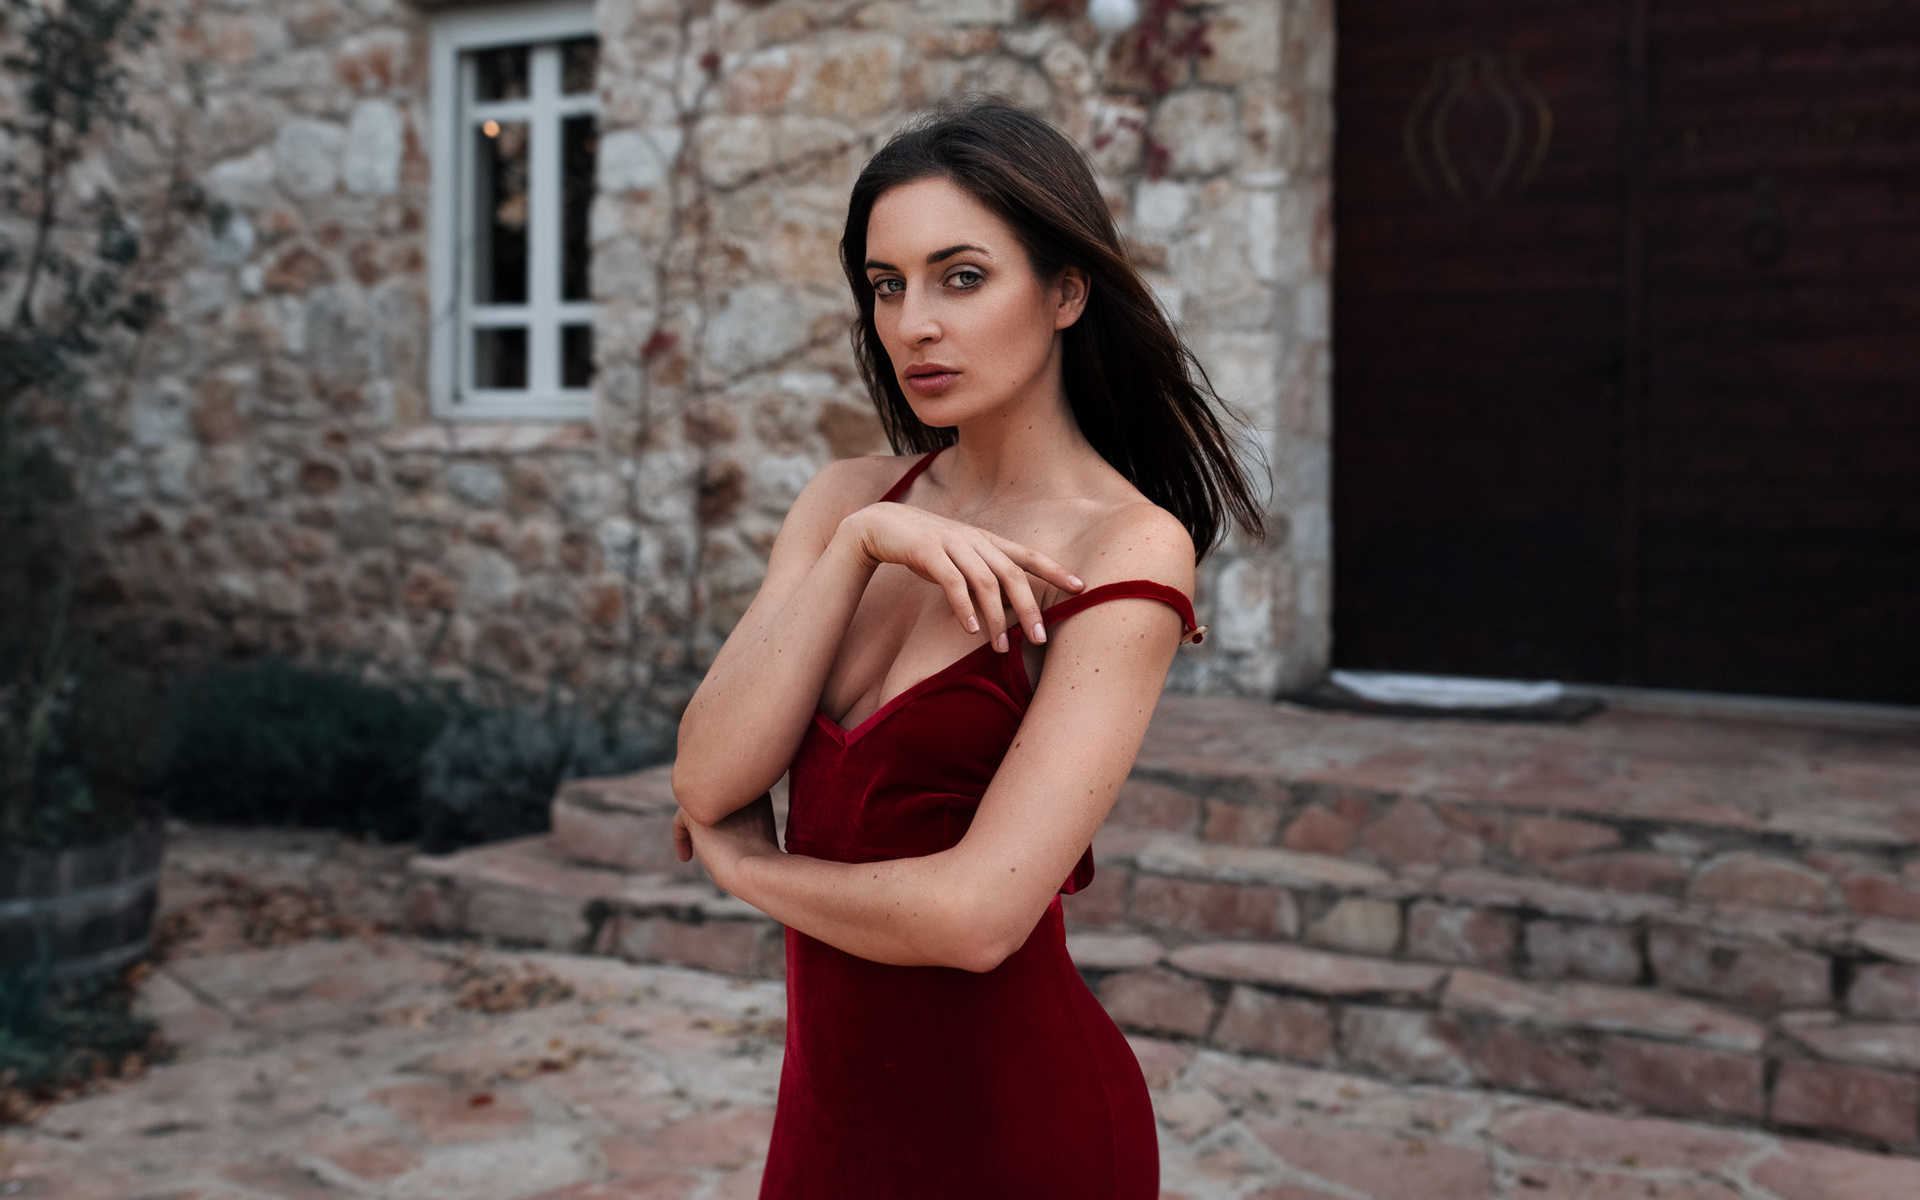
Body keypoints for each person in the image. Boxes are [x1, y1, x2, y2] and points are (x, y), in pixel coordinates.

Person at [670, 99, 1265, 1198]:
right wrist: (858, 545)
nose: (913, 325)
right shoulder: (850, 501)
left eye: (960, 276)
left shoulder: (1126, 546)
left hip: (1016, 1137)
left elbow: (978, 917)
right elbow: (707, 774)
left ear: (1066, 291)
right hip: (826, 1131)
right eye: (887, 286)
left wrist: (752, 868)